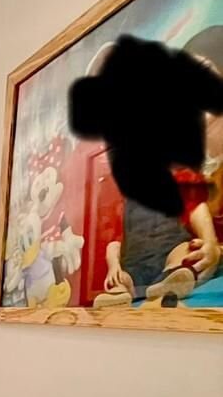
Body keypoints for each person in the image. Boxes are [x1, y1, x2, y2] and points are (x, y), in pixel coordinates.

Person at [94, 26, 223, 308]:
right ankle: (127, 289)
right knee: (127, 279)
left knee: (181, 254)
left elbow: (196, 208)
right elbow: (115, 237)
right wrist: (115, 267)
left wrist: (211, 244)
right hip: (137, 262)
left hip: (175, 252)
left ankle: (172, 277)